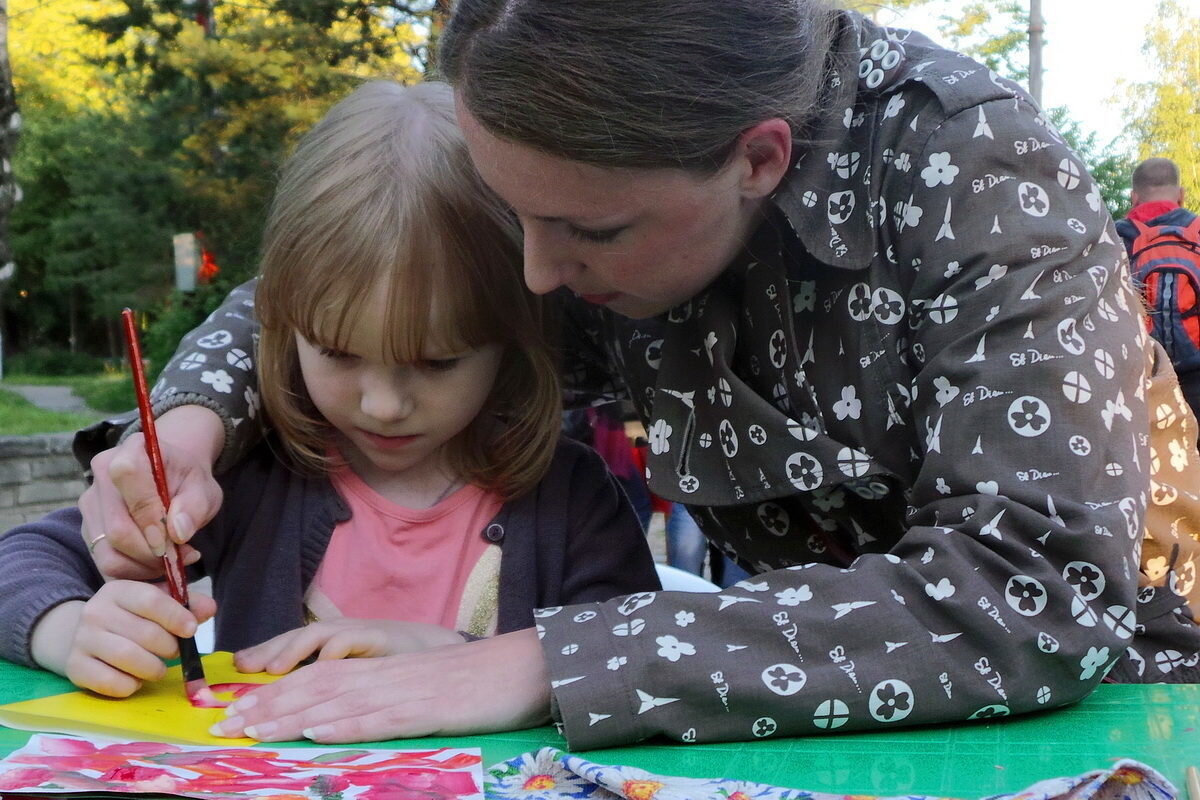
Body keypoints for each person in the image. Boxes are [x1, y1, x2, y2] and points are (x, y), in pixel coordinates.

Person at [73, 1, 1200, 749]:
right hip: (790, 732)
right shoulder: (572, 163)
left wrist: (545, 659)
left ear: (760, 157)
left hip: (1127, 718)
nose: (533, 273)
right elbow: (360, 292)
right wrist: (190, 418)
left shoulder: (974, 167)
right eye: (512, 211)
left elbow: (1033, 585)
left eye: (588, 230)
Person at [0, 80, 659, 705]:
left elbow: (643, 662)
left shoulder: (573, 502)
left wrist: (448, 655)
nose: (383, 405)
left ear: (512, 343)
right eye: (339, 353)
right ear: (286, 329)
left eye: (437, 362)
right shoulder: (258, 481)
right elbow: (22, 558)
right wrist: (71, 632)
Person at [1115, 157, 1200, 418]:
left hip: (1141, 371)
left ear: (1134, 197)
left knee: (1151, 453)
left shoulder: (1116, 235)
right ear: (1182, 195)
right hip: (1197, 370)